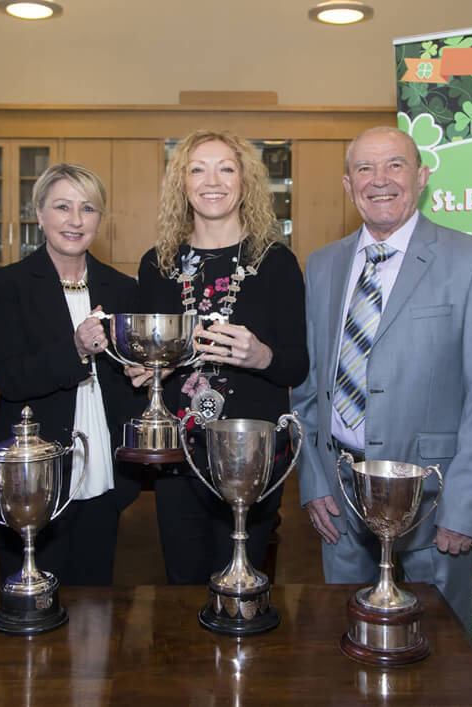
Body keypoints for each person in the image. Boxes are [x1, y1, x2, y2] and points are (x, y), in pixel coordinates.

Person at [292, 126, 472, 628]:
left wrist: (462, 507)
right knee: (344, 630)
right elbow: (307, 390)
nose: (380, 180)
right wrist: (313, 481)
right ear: (348, 186)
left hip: (431, 501)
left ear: (421, 177)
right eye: (364, 169)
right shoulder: (323, 265)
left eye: (395, 165)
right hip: (341, 496)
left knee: (439, 644)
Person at [134, 129, 309, 584]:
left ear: (245, 181)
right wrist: (150, 367)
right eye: (198, 169)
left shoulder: (276, 262)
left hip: (252, 456)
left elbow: (298, 364)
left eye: (225, 168)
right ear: (182, 184)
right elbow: (146, 359)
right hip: (177, 454)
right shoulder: (158, 264)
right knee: (183, 584)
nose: (212, 180)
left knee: (243, 588)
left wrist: (262, 356)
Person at [0, 163, 142, 586]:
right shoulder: (10, 284)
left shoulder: (123, 288)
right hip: (35, 477)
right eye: (62, 207)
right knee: (32, 607)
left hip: (105, 473)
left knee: (95, 604)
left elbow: (131, 385)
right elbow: (10, 377)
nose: (75, 220)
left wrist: (142, 374)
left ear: (99, 219)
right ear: (39, 213)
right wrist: (74, 349)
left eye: (88, 208)